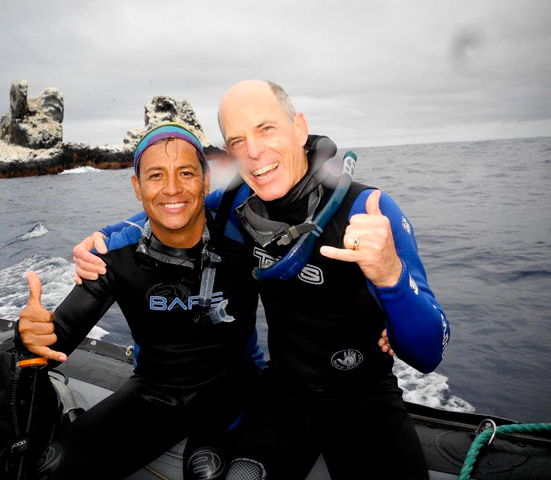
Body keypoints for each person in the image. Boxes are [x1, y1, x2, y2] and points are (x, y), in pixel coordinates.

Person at [74, 81, 450, 479]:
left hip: (367, 399)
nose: (253, 152)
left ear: (299, 128)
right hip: (283, 396)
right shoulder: (239, 205)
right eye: (237, 140)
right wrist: (102, 239)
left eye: (266, 128)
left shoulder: (366, 209)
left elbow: (428, 353)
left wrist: (390, 275)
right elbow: (174, 211)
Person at [17, 122, 264, 480]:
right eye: (155, 176)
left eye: (186, 173)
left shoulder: (243, 236)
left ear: (206, 180)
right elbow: (52, 342)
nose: (173, 189)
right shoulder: (114, 253)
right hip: (154, 391)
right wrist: (29, 334)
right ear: (137, 187)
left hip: (229, 386)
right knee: (51, 467)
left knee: (206, 470)